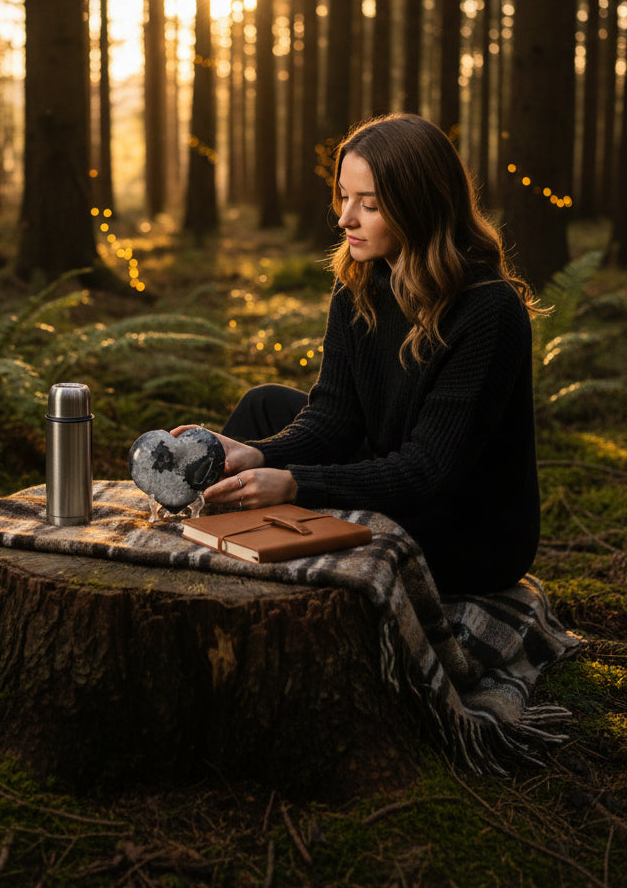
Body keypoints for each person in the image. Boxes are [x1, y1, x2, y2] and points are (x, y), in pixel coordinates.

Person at [175, 112, 542, 596]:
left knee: (288, 483)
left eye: (368, 204)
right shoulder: (360, 281)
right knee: (263, 406)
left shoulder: (487, 308)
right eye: (345, 196)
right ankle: (236, 538)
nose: (345, 218)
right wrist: (261, 453)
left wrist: (294, 483)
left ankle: (263, 550)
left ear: (419, 205)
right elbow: (333, 417)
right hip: (393, 471)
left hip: (463, 527)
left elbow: (428, 472)